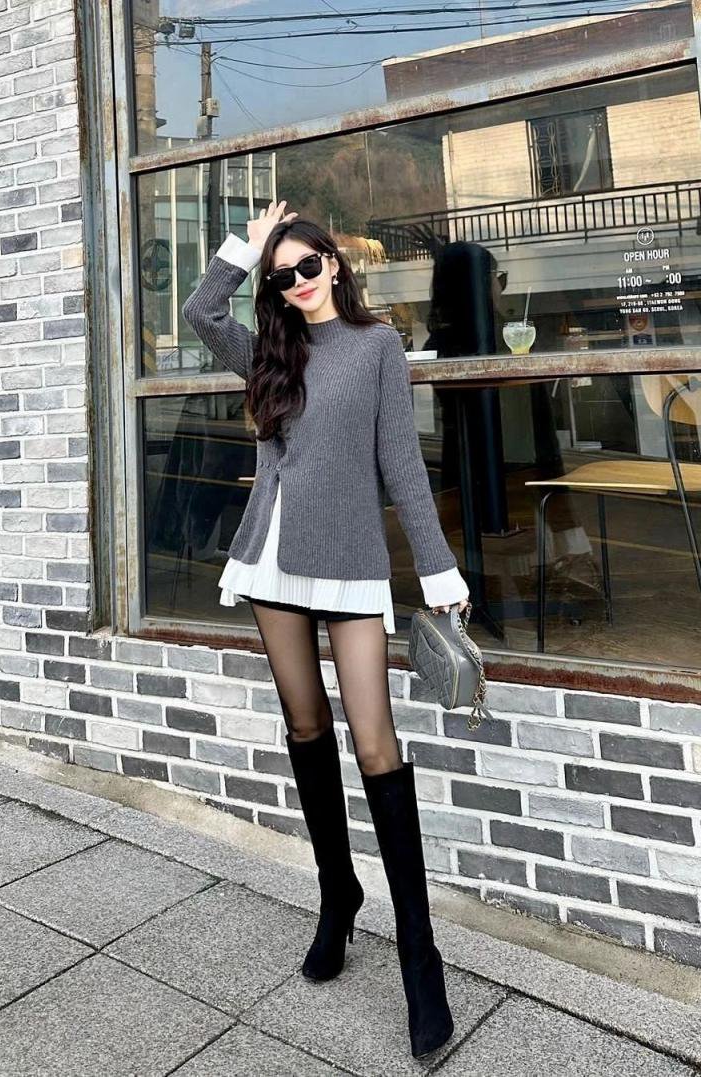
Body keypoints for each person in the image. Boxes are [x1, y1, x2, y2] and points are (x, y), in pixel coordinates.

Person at [182, 200, 469, 1059]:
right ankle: (336, 892)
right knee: (305, 725)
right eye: (284, 276)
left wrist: (438, 568)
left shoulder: (377, 347)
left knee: (375, 742)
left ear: (335, 265)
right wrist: (246, 248)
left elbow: (400, 463)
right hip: (273, 557)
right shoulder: (270, 350)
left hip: (348, 561)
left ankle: (420, 957)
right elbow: (202, 311)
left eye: (309, 266)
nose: (299, 282)